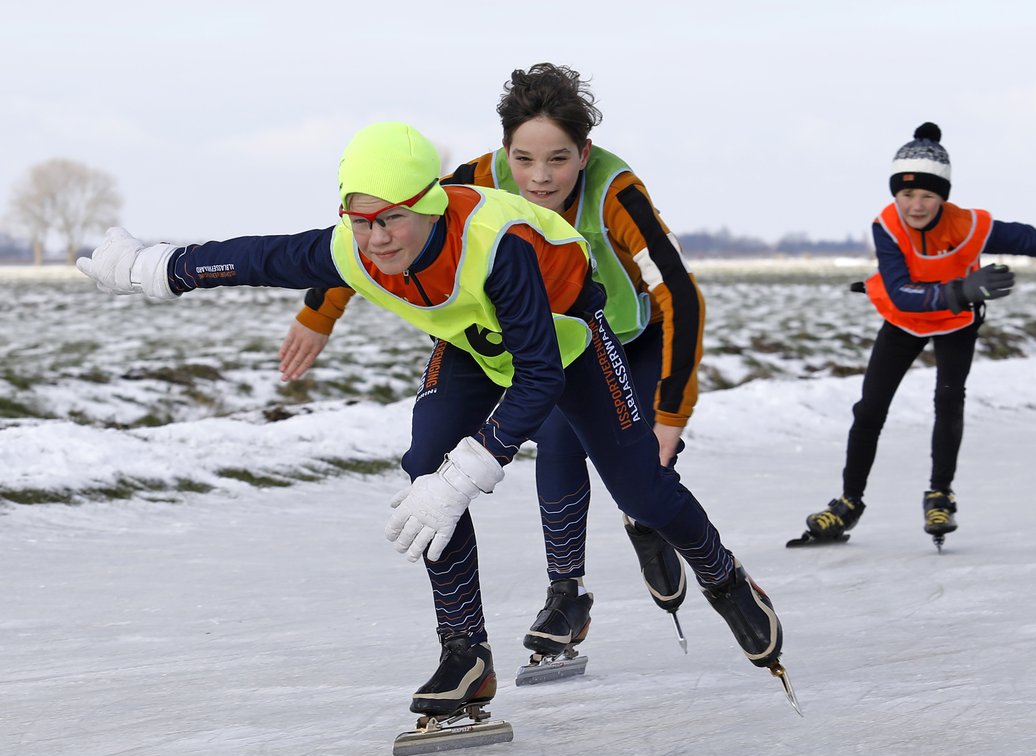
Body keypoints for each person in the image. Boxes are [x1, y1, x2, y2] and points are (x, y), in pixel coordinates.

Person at [76, 121, 786, 723]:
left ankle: (725, 580)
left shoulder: (493, 243)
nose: (377, 239)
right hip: (474, 344)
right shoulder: (352, 247)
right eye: (361, 220)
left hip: (564, 342)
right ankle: (465, 653)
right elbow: (259, 258)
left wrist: (471, 472)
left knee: (642, 493)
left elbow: (539, 375)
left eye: (391, 219)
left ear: (431, 205)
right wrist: (155, 266)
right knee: (424, 468)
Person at [278, 64, 704, 659]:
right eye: (524, 160)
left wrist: (672, 411)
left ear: (584, 152)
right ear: (505, 151)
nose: (538, 178)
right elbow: (384, 230)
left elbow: (678, 293)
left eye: (558, 159)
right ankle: (567, 593)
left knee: (639, 478)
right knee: (555, 434)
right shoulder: (475, 180)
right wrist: (320, 313)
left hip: (630, 338)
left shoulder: (615, 190)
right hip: (553, 337)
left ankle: (646, 520)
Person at [802, 122, 1036, 545]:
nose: (916, 206)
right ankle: (848, 503)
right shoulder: (886, 226)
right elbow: (903, 293)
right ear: (895, 195)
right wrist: (961, 288)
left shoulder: (968, 224)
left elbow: (1021, 237)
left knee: (947, 400)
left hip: (957, 322)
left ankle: (940, 495)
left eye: (928, 195)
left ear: (944, 196)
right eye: (907, 195)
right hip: (905, 319)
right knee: (869, 410)